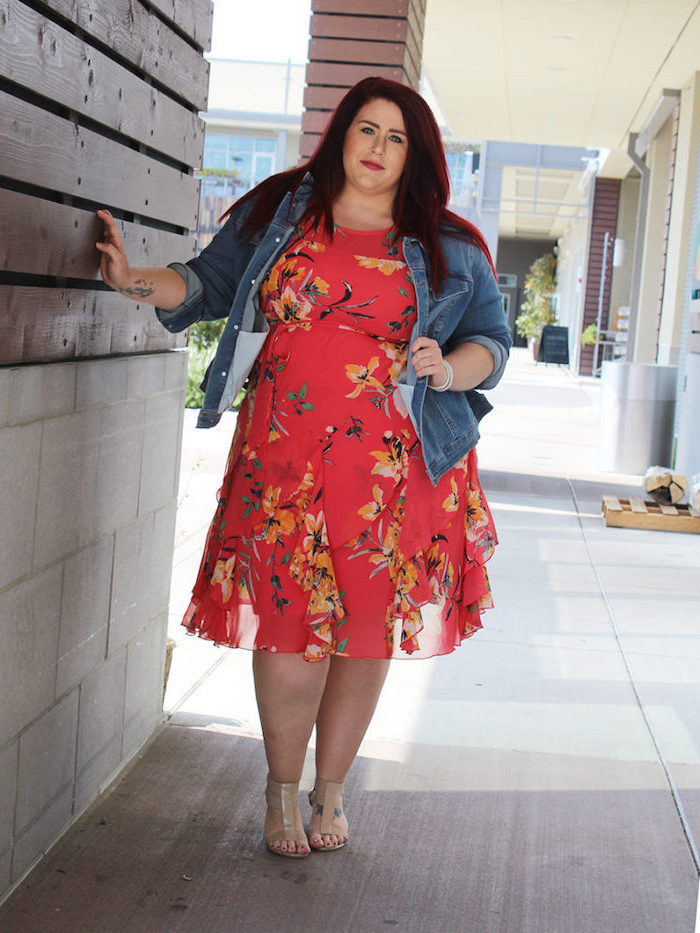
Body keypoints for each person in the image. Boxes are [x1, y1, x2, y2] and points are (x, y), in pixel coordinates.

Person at [96, 76, 512, 859]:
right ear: (340, 135)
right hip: (282, 465)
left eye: (396, 138)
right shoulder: (283, 213)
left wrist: (448, 366)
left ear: (414, 156)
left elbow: (492, 341)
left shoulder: (446, 243)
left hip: (395, 474)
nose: (377, 149)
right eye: (366, 129)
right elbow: (207, 283)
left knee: (364, 632)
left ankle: (331, 788)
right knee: (288, 621)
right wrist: (130, 281)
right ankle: (281, 788)